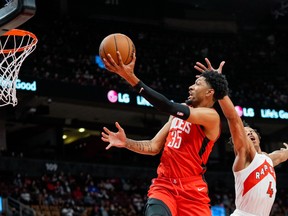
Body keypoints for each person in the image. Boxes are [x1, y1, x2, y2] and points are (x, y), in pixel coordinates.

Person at [101, 51, 229, 215]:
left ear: (209, 92)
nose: (191, 86)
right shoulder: (177, 115)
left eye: (197, 83)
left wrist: (131, 78)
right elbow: (154, 146)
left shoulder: (211, 117)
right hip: (164, 187)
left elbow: (168, 106)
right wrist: (127, 143)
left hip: (192, 192)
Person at [194, 58, 288, 216]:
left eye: (251, 131)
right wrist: (218, 86)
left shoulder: (269, 159)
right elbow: (233, 119)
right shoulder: (244, 154)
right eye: (245, 133)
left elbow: (284, 154)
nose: (249, 133)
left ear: (258, 137)